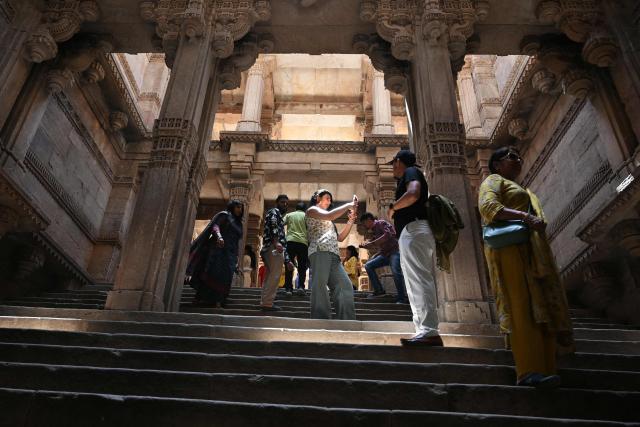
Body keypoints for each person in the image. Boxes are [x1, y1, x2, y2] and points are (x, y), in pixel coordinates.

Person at [479, 146, 574, 388]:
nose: (518, 160)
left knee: (538, 305)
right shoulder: (493, 180)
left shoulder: (524, 189)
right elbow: (488, 207)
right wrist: (525, 217)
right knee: (520, 305)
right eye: (512, 157)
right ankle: (528, 369)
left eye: (519, 157)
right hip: (511, 250)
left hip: (531, 251)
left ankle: (546, 367)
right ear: (497, 164)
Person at [387, 150, 442, 347]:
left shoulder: (411, 171)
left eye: (393, 163)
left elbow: (413, 193)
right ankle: (423, 329)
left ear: (399, 161)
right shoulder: (409, 172)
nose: (393, 167)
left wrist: (393, 207)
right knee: (413, 282)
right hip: (411, 231)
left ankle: (429, 330)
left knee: (419, 278)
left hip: (415, 229)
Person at [306, 189, 358, 320]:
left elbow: (340, 238)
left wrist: (350, 221)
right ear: (318, 198)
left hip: (334, 254)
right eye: (327, 198)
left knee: (345, 285)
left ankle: (347, 320)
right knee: (320, 284)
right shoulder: (312, 210)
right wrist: (348, 205)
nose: (329, 201)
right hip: (319, 250)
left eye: (330, 199)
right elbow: (329, 215)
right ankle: (321, 319)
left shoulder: (330, 222)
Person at [186, 200, 244, 308]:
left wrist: (237, 257)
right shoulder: (224, 215)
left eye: (241, 208)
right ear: (232, 206)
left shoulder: (239, 224)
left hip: (230, 254)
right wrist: (219, 236)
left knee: (226, 277)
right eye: (237, 207)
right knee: (212, 273)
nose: (239, 210)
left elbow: (237, 242)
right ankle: (199, 298)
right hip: (218, 250)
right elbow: (215, 226)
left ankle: (219, 300)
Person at [359, 212, 407, 303]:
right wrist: (374, 254)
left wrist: (372, 243)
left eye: (364, 223)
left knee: (396, 272)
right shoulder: (374, 231)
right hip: (385, 254)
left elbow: (388, 235)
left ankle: (401, 297)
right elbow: (383, 246)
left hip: (395, 252)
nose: (364, 226)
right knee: (369, 265)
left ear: (369, 220)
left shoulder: (381, 223)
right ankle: (379, 290)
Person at [260, 194, 294, 311]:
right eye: (282, 202)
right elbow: (273, 225)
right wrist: (276, 242)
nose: (284, 205)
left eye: (286, 203)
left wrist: (288, 260)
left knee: (269, 276)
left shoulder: (278, 215)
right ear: (277, 203)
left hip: (271, 248)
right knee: (274, 276)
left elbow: (283, 240)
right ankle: (268, 303)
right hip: (273, 248)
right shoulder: (274, 212)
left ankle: (265, 301)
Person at [284, 202, 309, 295]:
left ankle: (288, 289)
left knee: (289, 265)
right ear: (305, 209)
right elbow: (310, 229)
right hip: (303, 243)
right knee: (302, 266)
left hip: (290, 241)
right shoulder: (306, 216)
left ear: (296, 208)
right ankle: (301, 287)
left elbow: (281, 223)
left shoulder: (290, 215)